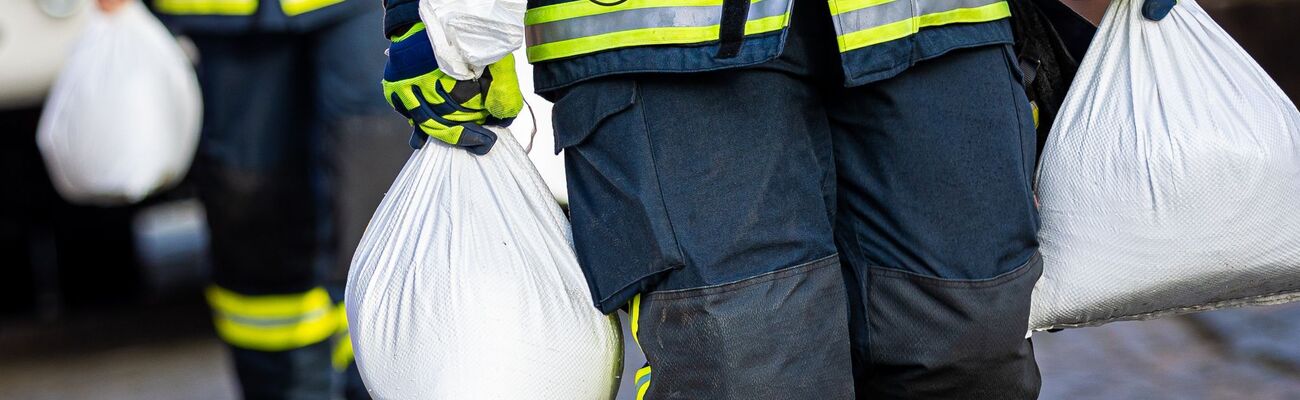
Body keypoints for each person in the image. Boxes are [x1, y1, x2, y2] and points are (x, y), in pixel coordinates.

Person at [379, 0, 1176, 398]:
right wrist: (438, 18)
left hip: (929, 17)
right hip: (664, 38)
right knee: (750, 363)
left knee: (967, 346)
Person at [94, 0, 411, 398]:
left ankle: (391, 380)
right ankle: (285, 386)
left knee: (378, 202)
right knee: (255, 220)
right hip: (226, 17)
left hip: (362, 9)